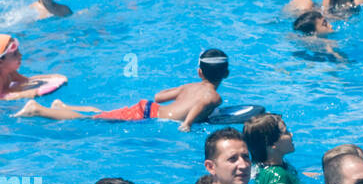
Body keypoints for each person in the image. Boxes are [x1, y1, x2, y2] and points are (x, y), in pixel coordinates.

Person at [18, 47, 230, 131]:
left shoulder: (190, 86)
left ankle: (62, 105)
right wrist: (188, 123)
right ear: (226, 74)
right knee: (92, 120)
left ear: (199, 72)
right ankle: (38, 109)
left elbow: (159, 96)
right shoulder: (214, 96)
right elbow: (203, 103)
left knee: (102, 113)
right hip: (147, 115)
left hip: (149, 107)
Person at [243, 113, 306, 184]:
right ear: (272, 144)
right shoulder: (279, 175)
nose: (291, 134)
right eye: (285, 132)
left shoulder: (261, 167)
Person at [0, 35, 66, 101]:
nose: (20, 55)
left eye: (18, 51)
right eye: (14, 54)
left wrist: (51, 77)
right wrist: (26, 94)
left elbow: (27, 80)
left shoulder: (11, 73)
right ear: (1, 62)